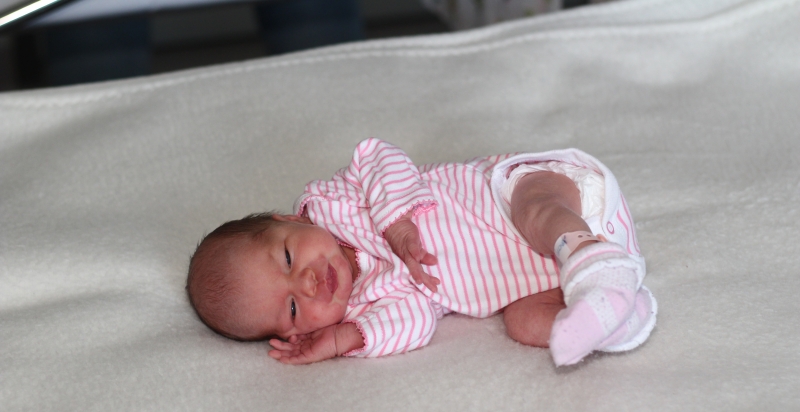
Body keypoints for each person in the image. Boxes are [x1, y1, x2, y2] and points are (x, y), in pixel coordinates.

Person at [187, 138, 656, 366]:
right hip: (543, 276)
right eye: (292, 307)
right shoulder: (364, 307)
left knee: (536, 213)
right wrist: (344, 339)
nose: (308, 284)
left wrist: (397, 222)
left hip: (531, 197)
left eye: (289, 260)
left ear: (289, 220)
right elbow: (415, 322)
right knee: (524, 323)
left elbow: (376, 155)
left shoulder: (336, 203)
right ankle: (619, 314)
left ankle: (595, 267)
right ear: (296, 332)